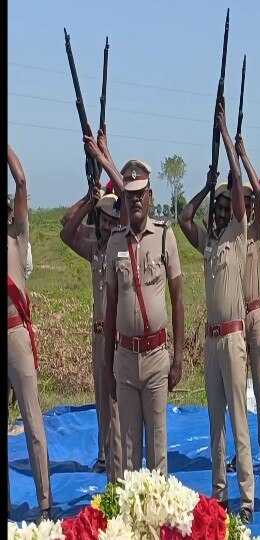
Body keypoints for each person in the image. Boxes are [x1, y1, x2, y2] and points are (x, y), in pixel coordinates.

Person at [178, 102, 254, 523]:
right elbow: (184, 217)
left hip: (234, 337)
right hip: (210, 339)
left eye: (226, 206)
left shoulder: (237, 237)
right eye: (219, 208)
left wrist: (226, 138)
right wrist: (207, 187)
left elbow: (239, 182)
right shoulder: (208, 244)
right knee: (215, 423)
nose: (222, 211)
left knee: (239, 420)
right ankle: (219, 494)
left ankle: (245, 499)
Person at [98, 147, 185, 476]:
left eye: (140, 194)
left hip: (155, 359)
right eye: (129, 195)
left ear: (150, 196)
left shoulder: (165, 237)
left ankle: (159, 522)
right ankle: (134, 524)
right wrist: (108, 369)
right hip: (125, 358)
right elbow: (110, 308)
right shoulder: (115, 243)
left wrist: (177, 359)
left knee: (158, 448)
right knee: (130, 451)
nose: (135, 200)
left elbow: (178, 299)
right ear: (124, 198)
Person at [60, 184, 123, 481]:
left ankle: (116, 457)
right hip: (98, 334)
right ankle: (103, 452)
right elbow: (65, 228)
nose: (109, 225)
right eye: (104, 220)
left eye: (113, 220)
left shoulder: (120, 247)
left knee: (116, 400)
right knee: (100, 396)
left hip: (117, 334)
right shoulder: (94, 247)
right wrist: (88, 199)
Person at [7, 144, 53, 522]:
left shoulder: (17, 238)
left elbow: (21, 180)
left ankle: (45, 503)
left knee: (33, 422)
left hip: (16, 335)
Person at [237, 133, 260, 481]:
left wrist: (244, 156)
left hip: (255, 313)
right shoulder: (231, 236)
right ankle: (242, 450)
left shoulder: (255, 233)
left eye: (249, 202)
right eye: (242, 200)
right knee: (236, 387)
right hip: (233, 316)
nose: (247, 206)